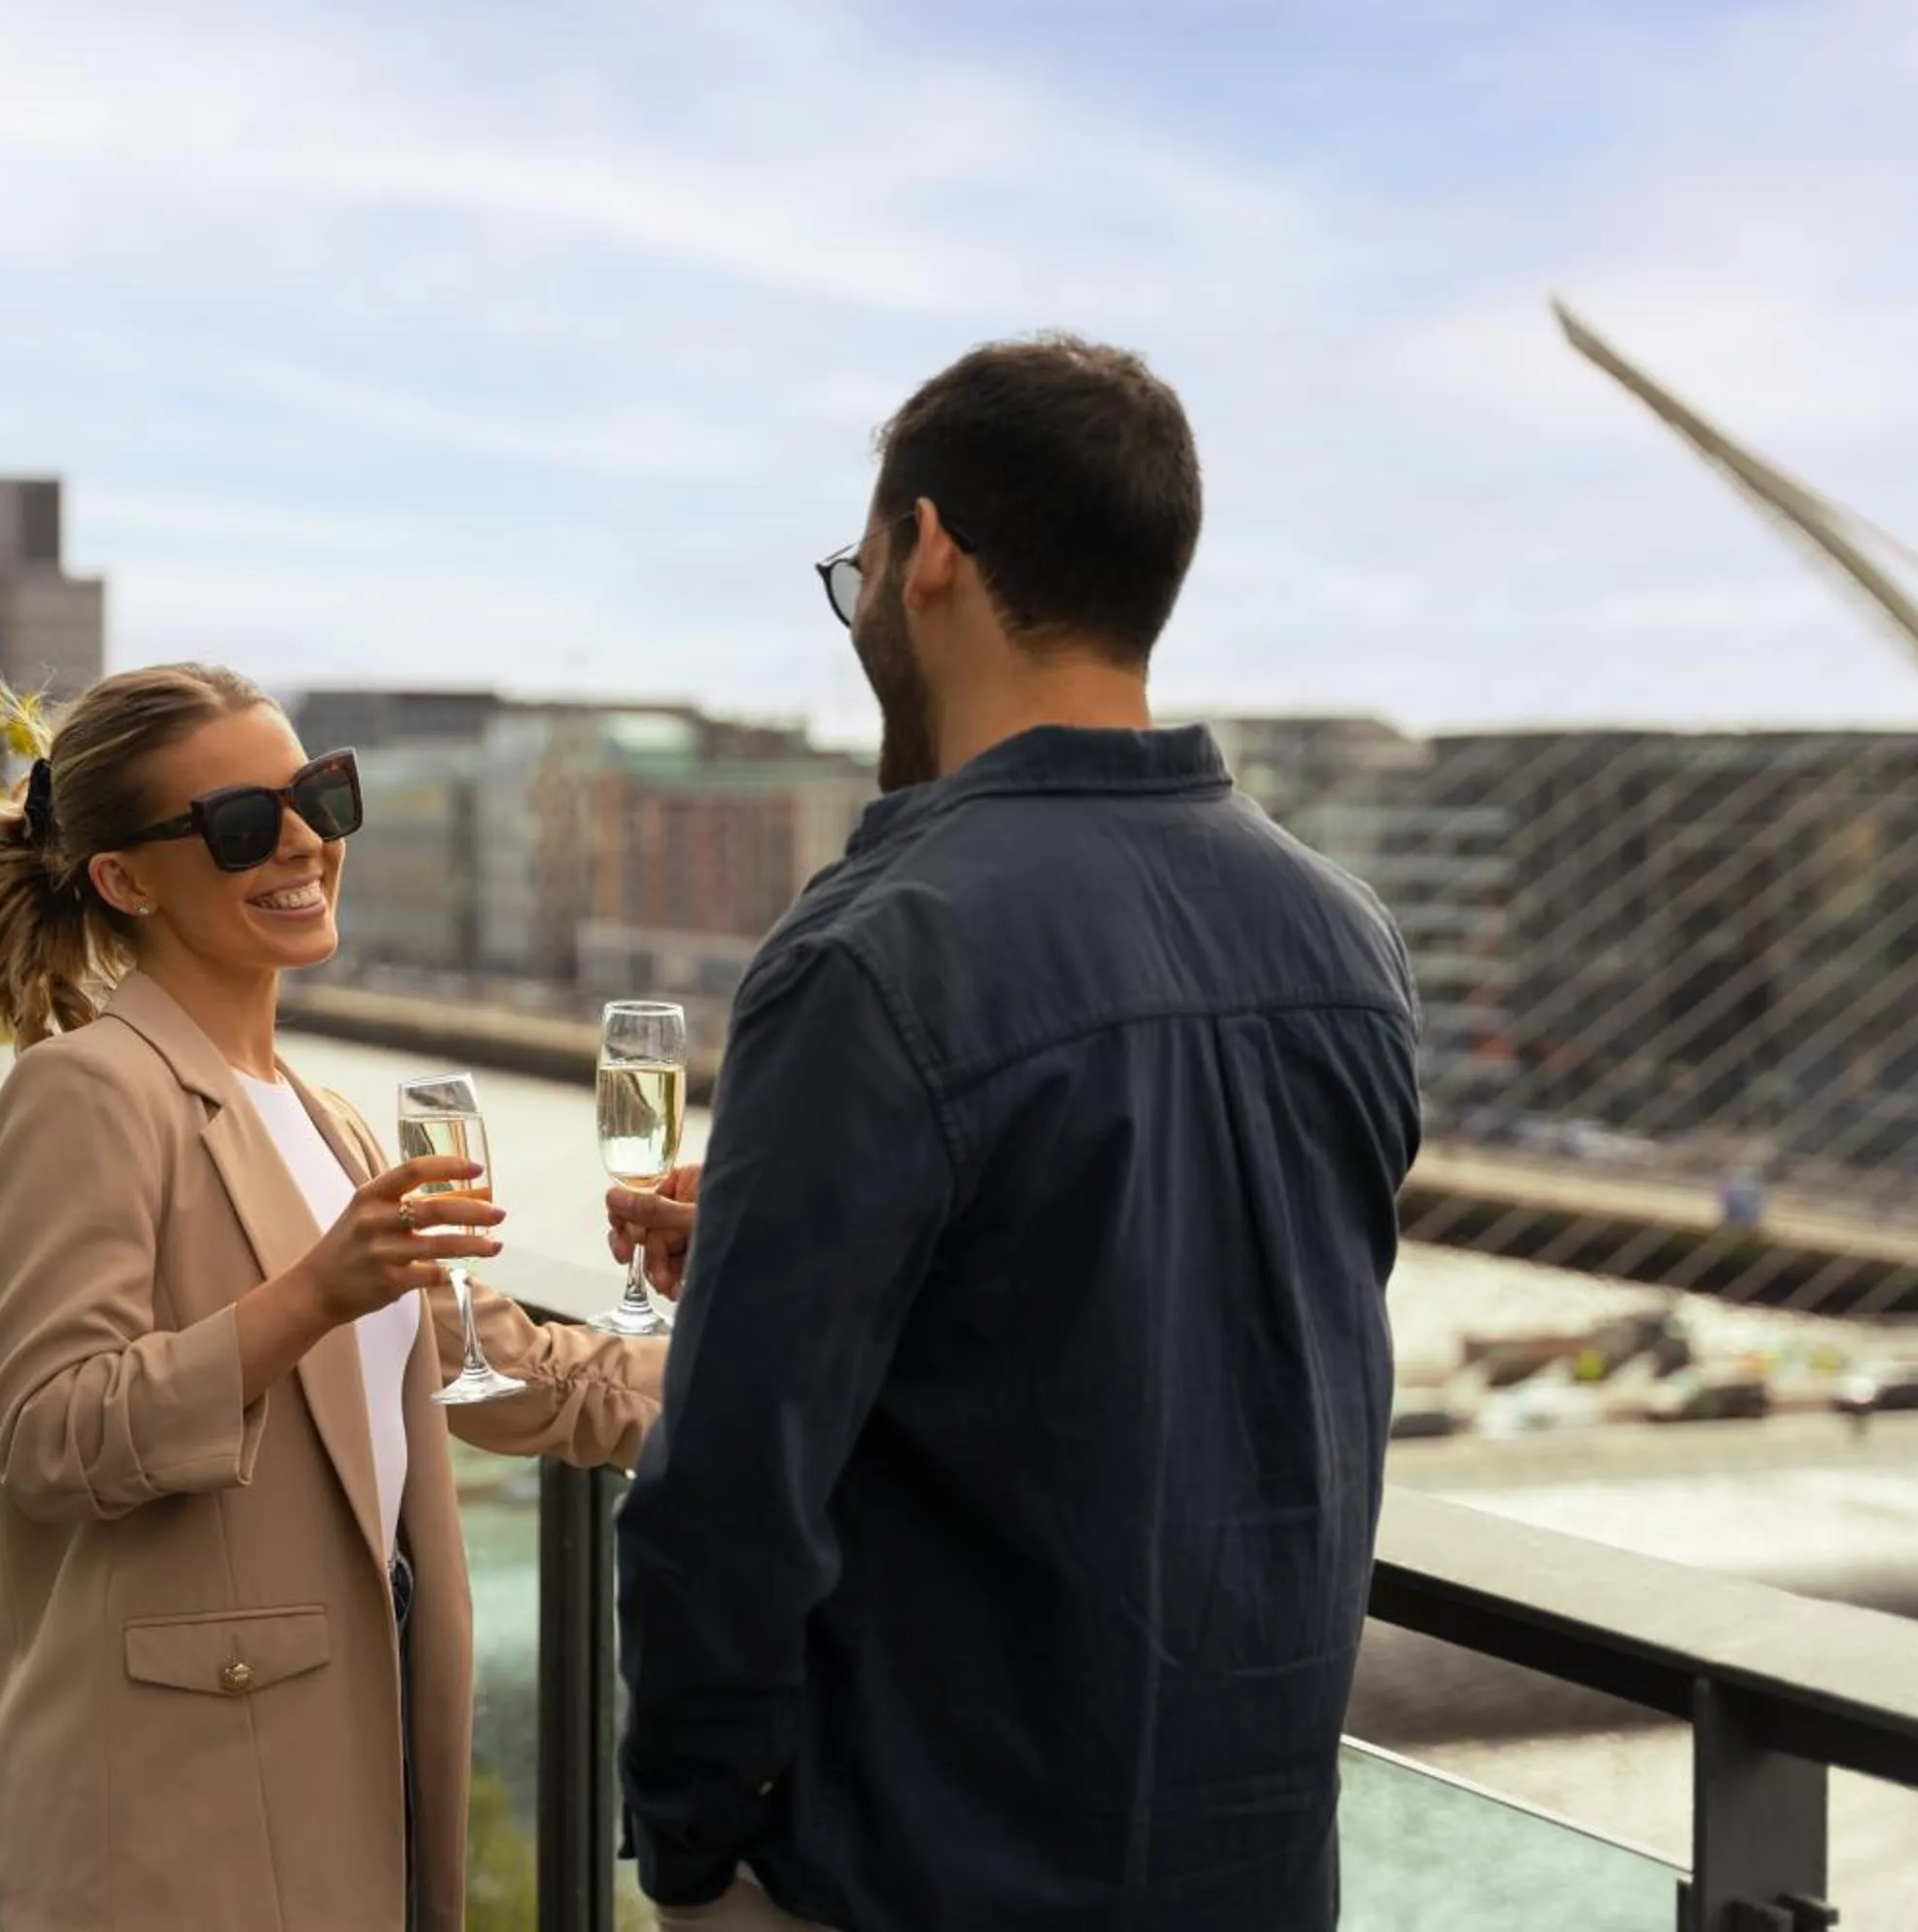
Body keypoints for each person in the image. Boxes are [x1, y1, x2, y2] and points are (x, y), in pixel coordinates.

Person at [608, 335, 1422, 1931]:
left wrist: (695, 1858)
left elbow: (724, 1501)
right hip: (1255, 1880)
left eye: (861, 572)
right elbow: (1178, 1332)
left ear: (927, 558)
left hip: (922, 1878)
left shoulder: (876, 954)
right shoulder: (1349, 942)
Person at [0, 664, 665, 1932]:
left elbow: (525, 1380)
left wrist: (768, 1308)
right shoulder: (85, 1095)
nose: (299, 841)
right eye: (237, 822)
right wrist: (313, 1295)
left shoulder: (327, 1125)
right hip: (183, 1812)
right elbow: (51, 1438)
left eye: (318, 796)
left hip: (357, 1759)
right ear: (125, 878)